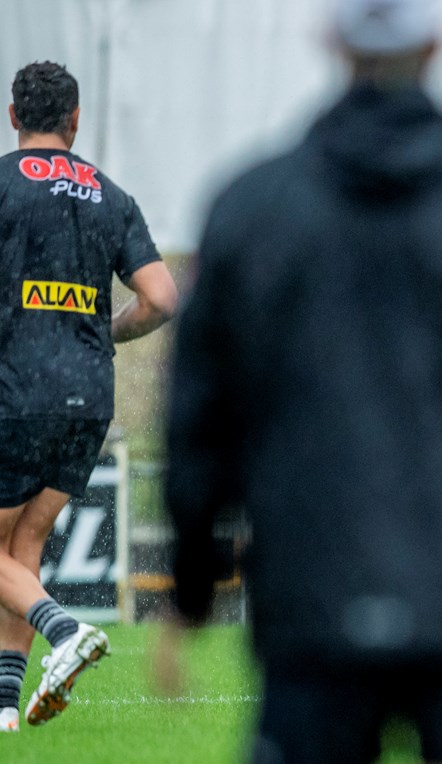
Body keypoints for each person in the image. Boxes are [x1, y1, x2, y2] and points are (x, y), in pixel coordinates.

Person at [163, 1, 442, 760]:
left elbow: (202, 418)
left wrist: (190, 587)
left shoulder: (253, 206)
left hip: (312, 596)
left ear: (331, 42)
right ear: (436, 45)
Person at [0, 61, 179, 730]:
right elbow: (160, 298)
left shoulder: (2, 185)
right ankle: (5, 710)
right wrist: (104, 333)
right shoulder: (111, 195)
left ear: (13, 116)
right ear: (75, 120)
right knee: (22, 547)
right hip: (88, 391)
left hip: (14, 388)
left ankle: (65, 630)